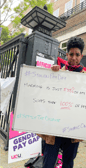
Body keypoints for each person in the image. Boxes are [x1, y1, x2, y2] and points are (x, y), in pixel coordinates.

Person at [38, 36, 85, 168]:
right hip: (54, 127)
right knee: (48, 162)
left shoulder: (85, 78)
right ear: (66, 54)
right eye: (71, 54)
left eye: (77, 54)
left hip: (74, 129)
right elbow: (44, 95)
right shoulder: (57, 73)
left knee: (68, 163)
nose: (74, 58)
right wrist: (52, 76)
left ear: (81, 56)